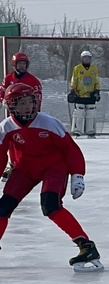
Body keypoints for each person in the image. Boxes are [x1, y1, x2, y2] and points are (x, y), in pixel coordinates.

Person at [0, 83, 101, 270]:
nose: (28, 107)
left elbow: (71, 149)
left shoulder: (48, 122)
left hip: (53, 167)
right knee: (2, 208)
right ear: (11, 106)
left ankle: (86, 246)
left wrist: (77, 174)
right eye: (21, 103)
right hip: (25, 169)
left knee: (51, 206)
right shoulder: (6, 127)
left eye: (30, 102)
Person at [2, 52, 43, 181]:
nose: (22, 66)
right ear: (14, 64)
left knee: (28, 138)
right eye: (19, 63)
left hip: (28, 116)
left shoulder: (33, 80)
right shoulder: (8, 78)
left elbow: (38, 97)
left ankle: (32, 162)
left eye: (24, 64)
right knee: (11, 140)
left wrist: (35, 111)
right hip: (13, 116)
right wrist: (3, 100)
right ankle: (13, 163)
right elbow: (2, 90)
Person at [68, 50, 101, 138]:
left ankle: (90, 131)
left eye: (88, 58)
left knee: (91, 112)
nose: (87, 59)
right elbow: (74, 79)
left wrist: (97, 91)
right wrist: (72, 90)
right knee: (79, 112)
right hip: (80, 94)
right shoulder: (77, 68)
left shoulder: (94, 69)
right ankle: (77, 131)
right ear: (82, 58)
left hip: (91, 94)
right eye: (85, 58)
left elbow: (97, 80)